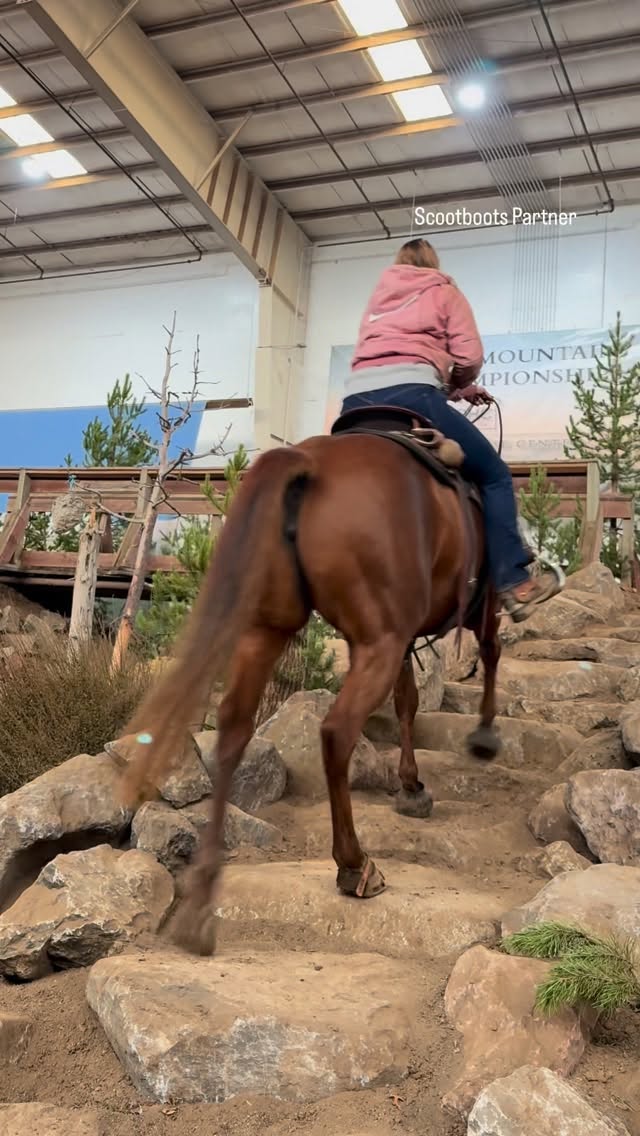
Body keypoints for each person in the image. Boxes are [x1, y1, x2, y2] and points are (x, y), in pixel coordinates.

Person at [340, 237, 562, 623]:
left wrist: (457, 391)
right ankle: (515, 583)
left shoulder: (378, 298)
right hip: (414, 397)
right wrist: (460, 381)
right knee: (495, 475)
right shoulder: (443, 290)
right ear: (433, 263)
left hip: (355, 404)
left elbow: (386, 358)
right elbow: (469, 357)